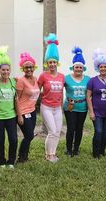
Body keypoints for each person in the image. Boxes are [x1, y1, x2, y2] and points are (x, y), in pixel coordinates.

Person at [38, 33, 65, 163]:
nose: (52, 64)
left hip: (57, 107)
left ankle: (53, 153)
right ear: (47, 63)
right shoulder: (43, 76)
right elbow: (36, 89)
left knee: (58, 131)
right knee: (52, 131)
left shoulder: (61, 76)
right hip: (46, 107)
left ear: (57, 63)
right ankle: (48, 155)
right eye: (50, 62)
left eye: (54, 62)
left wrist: (63, 104)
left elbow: (62, 92)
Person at [0, 46, 17, 169]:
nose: (6, 72)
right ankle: (1, 161)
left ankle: (11, 161)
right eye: (3, 70)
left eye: (7, 69)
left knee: (13, 139)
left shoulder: (14, 81)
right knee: (0, 140)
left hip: (11, 115)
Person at [87, 49, 106, 158]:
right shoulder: (92, 81)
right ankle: (95, 153)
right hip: (96, 111)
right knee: (98, 131)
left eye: (105, 66)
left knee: (105, 132)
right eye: (101, 67)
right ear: (97, 68)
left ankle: (102, 151)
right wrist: (91, 112)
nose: (103, 68)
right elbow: (88, 96)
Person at [64, 47, 90, 157]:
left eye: (80, 67)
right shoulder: (66, 78)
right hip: (70, 107)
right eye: (76, 67)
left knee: (79, 128)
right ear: (73, 67)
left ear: (83, 68)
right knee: (71, 128)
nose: (78, 69)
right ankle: (69, 149)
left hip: (82, 107)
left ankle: (76, 149)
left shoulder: (88, 79)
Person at [16, 52, 40, 163]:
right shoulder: (21, 81)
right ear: (23, 69)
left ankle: (25, 156)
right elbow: (16, 98)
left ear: (34, 67)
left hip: (33, 111)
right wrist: (19, 115)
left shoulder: (35, 78)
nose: (29, 69)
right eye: (26, 67)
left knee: (29, 135)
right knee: (29, 135)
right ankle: (21, 157)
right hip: (23, 112)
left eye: (31, 67)